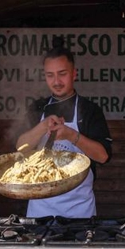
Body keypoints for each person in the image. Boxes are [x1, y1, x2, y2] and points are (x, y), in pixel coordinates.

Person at [16, 38, 112, 218]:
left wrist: (71, 135)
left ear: (74, 74)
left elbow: (103, 156)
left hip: (79, 209)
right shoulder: (38, 108)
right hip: (40, 208)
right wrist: (43, 126)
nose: (56, 81)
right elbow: (20, 148)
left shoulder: (89, 110)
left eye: (62, 74)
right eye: (50, 75)